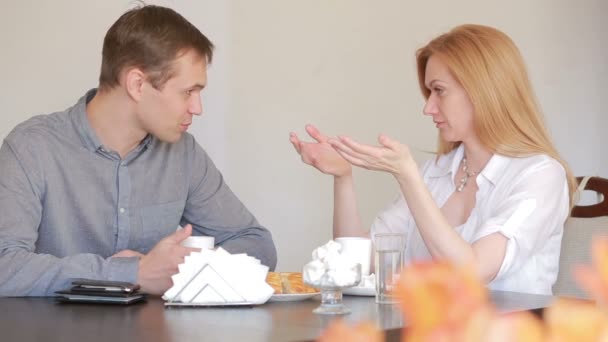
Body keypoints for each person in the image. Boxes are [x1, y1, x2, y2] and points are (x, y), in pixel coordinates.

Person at [0, 5, 276, 296]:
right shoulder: (32, 147)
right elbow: (5, 265)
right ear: (137, 84)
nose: (197, 108)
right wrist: (131, 274)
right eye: (188, 92)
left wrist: (181, 268)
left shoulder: (183, 154)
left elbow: (257, 245)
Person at [290, 24, 575, 295]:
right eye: (429, 93)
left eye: (439, 91)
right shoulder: (437, 171)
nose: (428, 108)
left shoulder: (541, 175)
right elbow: (354, 261)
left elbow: (473, 270)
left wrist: (407, 176)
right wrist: (343, 177)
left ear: (483, 90)